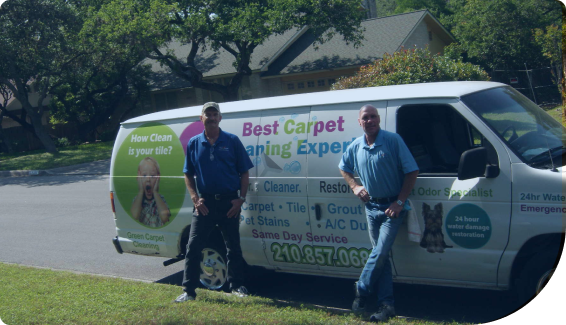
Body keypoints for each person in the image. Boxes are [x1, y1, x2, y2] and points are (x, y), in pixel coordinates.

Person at [338, 104, 419, 322]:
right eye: (366, 117)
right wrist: (355, 186)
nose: (370, 120)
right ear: (360, 122)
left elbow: (412, 171)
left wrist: (399, 202)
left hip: (392, 208)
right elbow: (343, 167)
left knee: (381, 252)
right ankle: (387, 305)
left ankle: (362, 288)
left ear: (379, 119)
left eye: (373, 116)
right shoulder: (356, 145)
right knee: (381, 257)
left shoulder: (393, 140)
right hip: (371, 207)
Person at [175, 102, 254, 303]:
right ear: (201, 118)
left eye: (214, 114)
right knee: (193, 247)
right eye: (207, 114)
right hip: (205, 204)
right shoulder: (194, 143)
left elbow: (244, 172)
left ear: (220, 118)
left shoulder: (232, 141)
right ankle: (189, 291)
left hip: (229, 203)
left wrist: (241, 199)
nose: (211, 117)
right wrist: (195, 198)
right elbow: (188, 174)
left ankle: (236, 286)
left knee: (233, 247)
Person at [131, 157, 170, 227]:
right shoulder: (138, 200)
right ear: (139, 178)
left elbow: (165, 218)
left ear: (158, 178)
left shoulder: (160, 199)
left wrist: (155, 192)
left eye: (152, 175)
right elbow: (135, 215)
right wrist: (141, 191)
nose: (148, 179)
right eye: (144, 175)